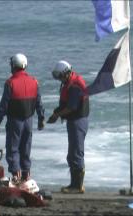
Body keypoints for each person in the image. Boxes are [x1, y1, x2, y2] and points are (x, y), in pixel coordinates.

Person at [0, 54, 45, 183]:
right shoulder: (34, 81)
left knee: (13, 148)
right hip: (29, 120)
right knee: (26, 147)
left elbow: (4, 105)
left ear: (13, 66)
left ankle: (16, 176)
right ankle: (26, 175)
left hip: (15, 121)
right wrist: (41, 119)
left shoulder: (10, 83)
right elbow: (39, 103)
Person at [47, 60, 89, 194]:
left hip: (78, 121)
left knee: (76, 153)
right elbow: (66, 104)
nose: (59, 79)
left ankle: (77, 186)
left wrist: (56, 115)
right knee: (72, 155)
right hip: (75, 121)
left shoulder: (75, 86)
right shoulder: (69, 82)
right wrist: (56, 112)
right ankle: (74, 184)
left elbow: (71, 107)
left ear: (66, 73)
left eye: (60, 76)